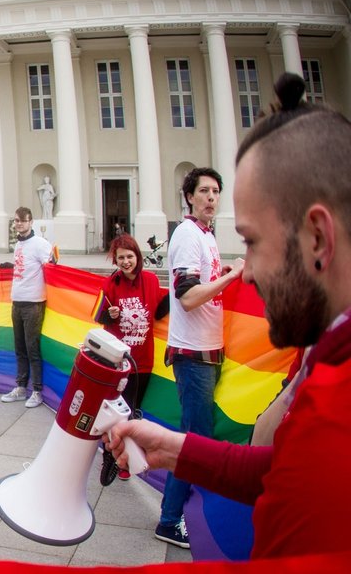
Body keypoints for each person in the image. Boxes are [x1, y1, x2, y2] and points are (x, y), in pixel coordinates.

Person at [106, 74, 351, 560]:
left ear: (318, 238)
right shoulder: (328, 360)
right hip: (193, 354)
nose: (250, 274)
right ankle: (170, 519)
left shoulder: (336, 400)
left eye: (254, 243)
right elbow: (284, 473)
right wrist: (178, 451)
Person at [150, 166, 245, 548]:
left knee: (198, 438)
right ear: (189, 197)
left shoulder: (205, 235)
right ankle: (170, 520)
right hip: (193, 356)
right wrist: (231, 277)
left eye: (216, 191)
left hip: (206, 352)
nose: (211, 197)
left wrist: (218, 272)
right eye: (204, 191)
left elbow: (196, 285)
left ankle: (183, 510)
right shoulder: (188, 235)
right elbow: (188, 297)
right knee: (194, 442)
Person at [95, 233, 168, 483]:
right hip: (117, 362)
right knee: (116, 413)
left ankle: (126, 461)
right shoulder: (110, 284)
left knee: (134, 412)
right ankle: (109, 457)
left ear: (138, 257)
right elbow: (97, 315)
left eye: (130, 256)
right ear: (115, 261)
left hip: (143, 362)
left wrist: (185, 288)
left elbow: (160, 311)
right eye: (121, 258)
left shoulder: (150, 280)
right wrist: (109, 314)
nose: (126, 262)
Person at [0, 207, 55, 408]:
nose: (18, 223)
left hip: (33, 303)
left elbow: (53, 266)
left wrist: (54, 258)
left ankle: (37, 390)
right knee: (19, 348)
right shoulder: (18, 245)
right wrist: (4, 264)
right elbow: (22, 266)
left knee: (32, 349)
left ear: (31, 222)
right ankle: (21, 388)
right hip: (17, 302)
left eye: (22, 220)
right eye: (16, 220)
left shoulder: (39, 243)